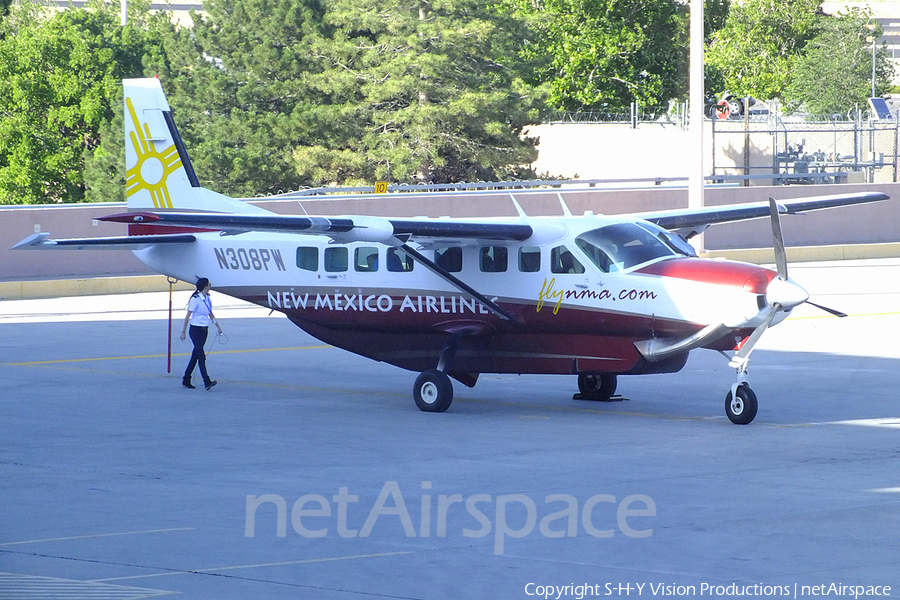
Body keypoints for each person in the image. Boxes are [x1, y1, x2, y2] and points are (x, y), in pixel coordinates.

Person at [180, 277, 222, 390]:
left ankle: (186, 379)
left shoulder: (208, 298)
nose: (210, 285)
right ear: (205, 286)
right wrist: (183, 331)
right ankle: (206, 381)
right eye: (209, 284)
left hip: (204, 330)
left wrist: (217, 326)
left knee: (196, 355)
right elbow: (188, 316)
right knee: (201, 356)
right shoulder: (195, 299)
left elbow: (210, 313)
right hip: (195, 330)